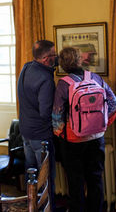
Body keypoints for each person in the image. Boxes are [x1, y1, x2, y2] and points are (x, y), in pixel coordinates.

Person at [52, 47, 116, 212]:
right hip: (97, 139)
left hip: (73, 141)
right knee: (95, 180)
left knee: (76, 183)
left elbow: (57, 116)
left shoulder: (64, 84)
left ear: (62, 65)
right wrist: (102, 125)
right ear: (79, 60)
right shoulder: (96, 78)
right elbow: (114, 104)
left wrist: (62, 133)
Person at [17, 40, 57, 210]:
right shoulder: (46, 79)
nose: (57, 58)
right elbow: (45, 112)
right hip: (40, 135)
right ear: (47, 59)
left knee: (31, 174)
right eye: (55, 55)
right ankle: (47, 208)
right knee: (45, 178)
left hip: (25, 130)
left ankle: (32, 206)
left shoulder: (26, 67)